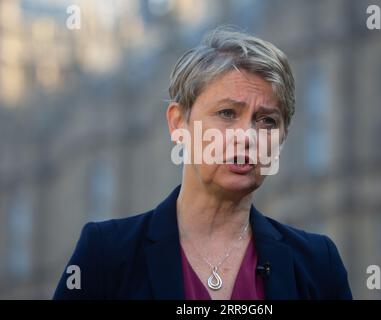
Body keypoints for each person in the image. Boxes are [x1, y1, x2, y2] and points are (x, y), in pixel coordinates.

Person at [53, 27, 352, 300]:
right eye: (227, 113)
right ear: (178, 122)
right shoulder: (106, 254)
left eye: (267, 121)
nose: (246, 136)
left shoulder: (317, 263)